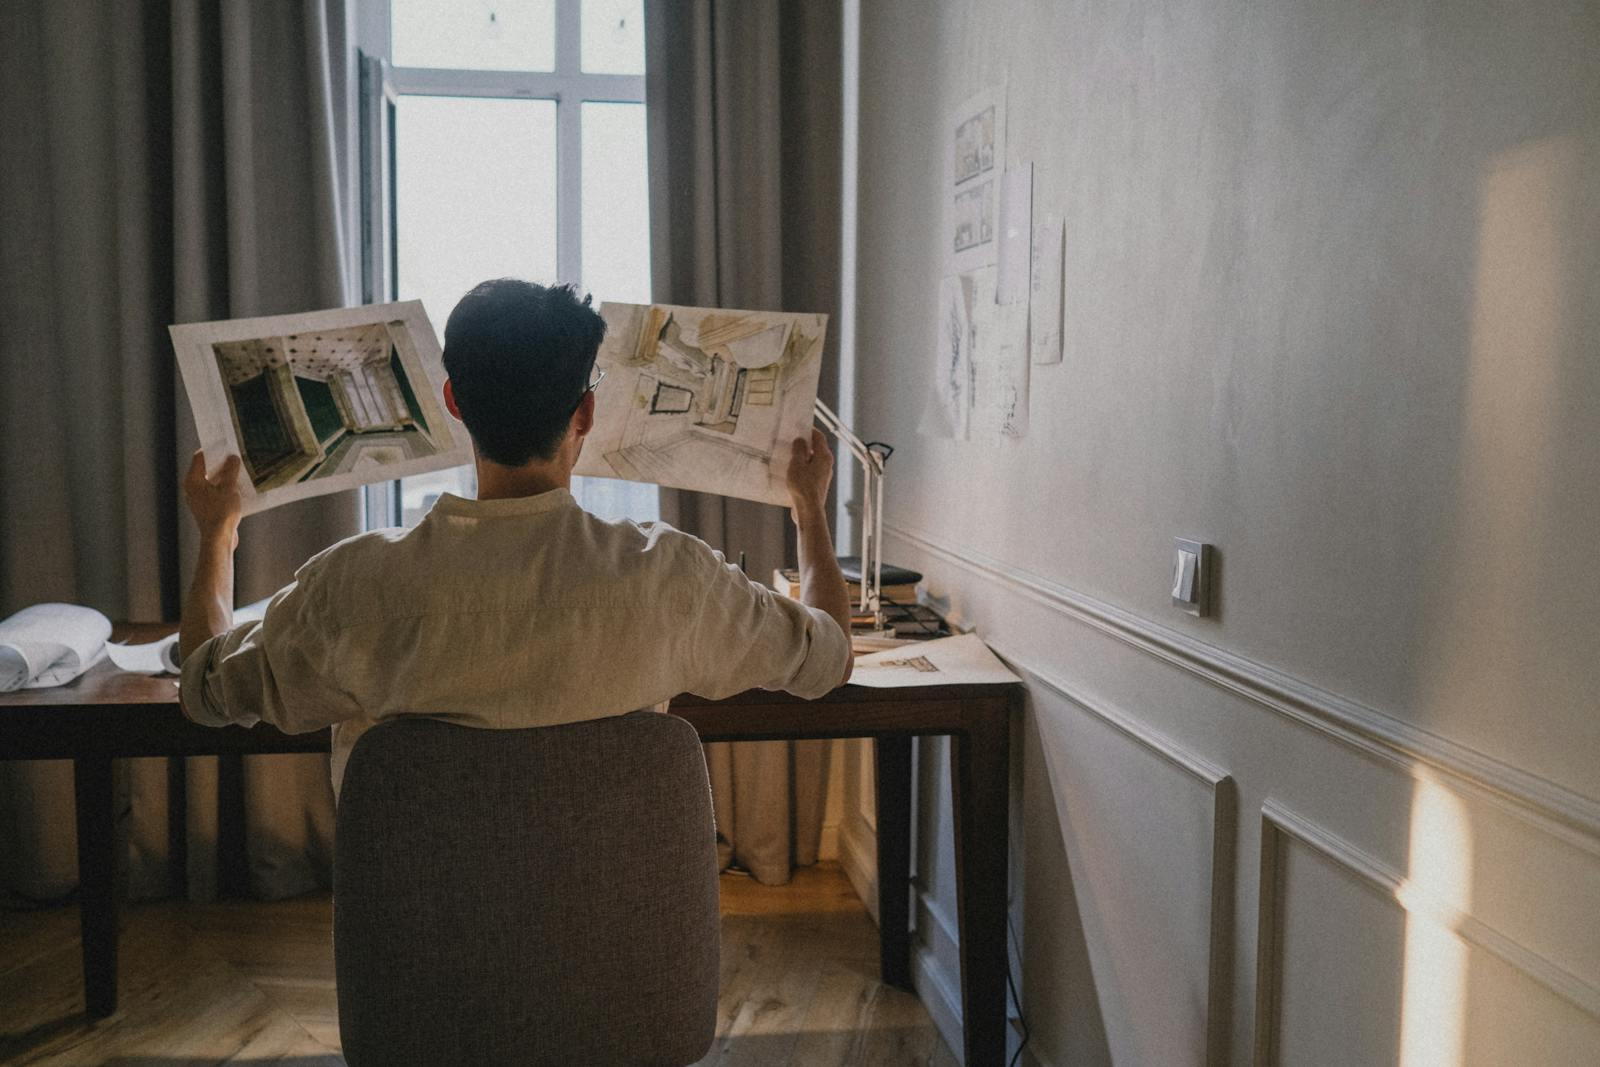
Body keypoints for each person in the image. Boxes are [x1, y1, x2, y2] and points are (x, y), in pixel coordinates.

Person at [178, 279, 853, 793]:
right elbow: (829, 657)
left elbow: (203, 683)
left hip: (416, 960)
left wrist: (218, 533)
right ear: (585, 411)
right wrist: (808, 510)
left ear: (453, 402)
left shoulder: (350, 588)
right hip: (617, 957)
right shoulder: (674, 577)